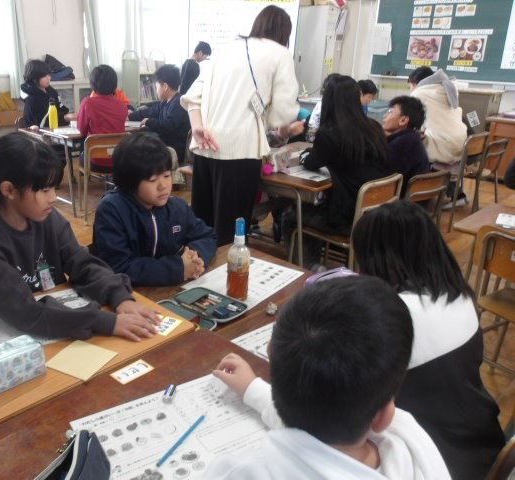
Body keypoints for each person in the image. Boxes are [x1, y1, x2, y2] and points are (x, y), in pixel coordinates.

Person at [207, 276, 450, 479]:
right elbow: (316, 440)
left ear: (270, 352)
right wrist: (252, 389)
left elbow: (308, 441)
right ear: (384, 415)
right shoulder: (411, 444)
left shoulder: (244, 472)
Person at [0, 132, 161, 342]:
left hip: (51, 322)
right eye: (45, 190)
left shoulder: (47, 218)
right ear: (9, 190)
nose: (53, 197)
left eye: (54, 188)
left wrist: (119, 297)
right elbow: (24, 312)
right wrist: (103, 321)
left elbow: (82, 263)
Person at [352, 201, 505, 480]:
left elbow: (349, 391)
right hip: (483, 439)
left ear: (384, 259)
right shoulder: (458, 293)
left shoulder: (393, 316)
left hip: (436, 460)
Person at [181, 5, 299, 245]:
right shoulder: (279, 56)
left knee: (202, 226)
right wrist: (291, 128)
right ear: (284, 35)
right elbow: (281, 117)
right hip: (240, 154)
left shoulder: (225, 51)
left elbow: (193, 96)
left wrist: (197, 127)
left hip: (205, 148)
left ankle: (200, 266)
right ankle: (229, 269)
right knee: (231, 232)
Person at [93, 133, 217, 286]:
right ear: (129, 181)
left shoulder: (177, 208)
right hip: (128, 293)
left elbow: (208, 236)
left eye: (167, 175)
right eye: (152, 179)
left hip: (171, 287)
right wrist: (178, 268)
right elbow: (119, 266)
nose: (163, 186)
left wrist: (195, 256)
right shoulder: (112, 210)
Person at [299, 75, 391, 268]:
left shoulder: (329, 133)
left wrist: (304, 155)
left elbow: (312, 162)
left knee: (293, 216)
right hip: (377, 213)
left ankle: (310, 269)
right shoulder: (374, 127)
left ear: (328, 100)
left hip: (348, 216)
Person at [408, 67, 468, 207]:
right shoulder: (447, 88)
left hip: (443, 144)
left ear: (415, 83)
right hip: (460, 141)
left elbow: (411, 121)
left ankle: (421, 198)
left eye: (410, 85)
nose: (410, 89)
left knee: (411, 148)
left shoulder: (420, 93)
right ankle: (457, 194)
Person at [128, 64, 191, 161]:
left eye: (156, 87)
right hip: (166, 143)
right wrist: (131, 116)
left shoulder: (179, 103)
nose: (156, 90)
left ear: (165, 86)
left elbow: (169, 126)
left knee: (138, 148)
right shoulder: (165, 102)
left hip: (175, 148)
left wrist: (149, 121)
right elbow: (150, 111)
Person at [382, 95, 430, 194]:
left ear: (403, 120)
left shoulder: (402, 144)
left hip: (399, 200)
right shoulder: (411, 138)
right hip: (409, 198)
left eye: (390, 111)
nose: (385, 116)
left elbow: (382, 177)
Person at [76, 64, 128, 138]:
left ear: (93, 84)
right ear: (115, 83)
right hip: (118, 145)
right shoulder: (122, 106)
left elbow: (81, 131)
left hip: (94, 145)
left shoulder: (87, 103)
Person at [20, 59, 73, 128]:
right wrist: (66, 118)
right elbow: (41, 123)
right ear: (34, 77)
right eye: (44, 76)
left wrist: (68, 115)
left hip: (57, 128)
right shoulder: (31, 99)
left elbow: (60, 108)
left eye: (49, 75)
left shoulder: (50, 91)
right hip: (39, 132)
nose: (48, 78)